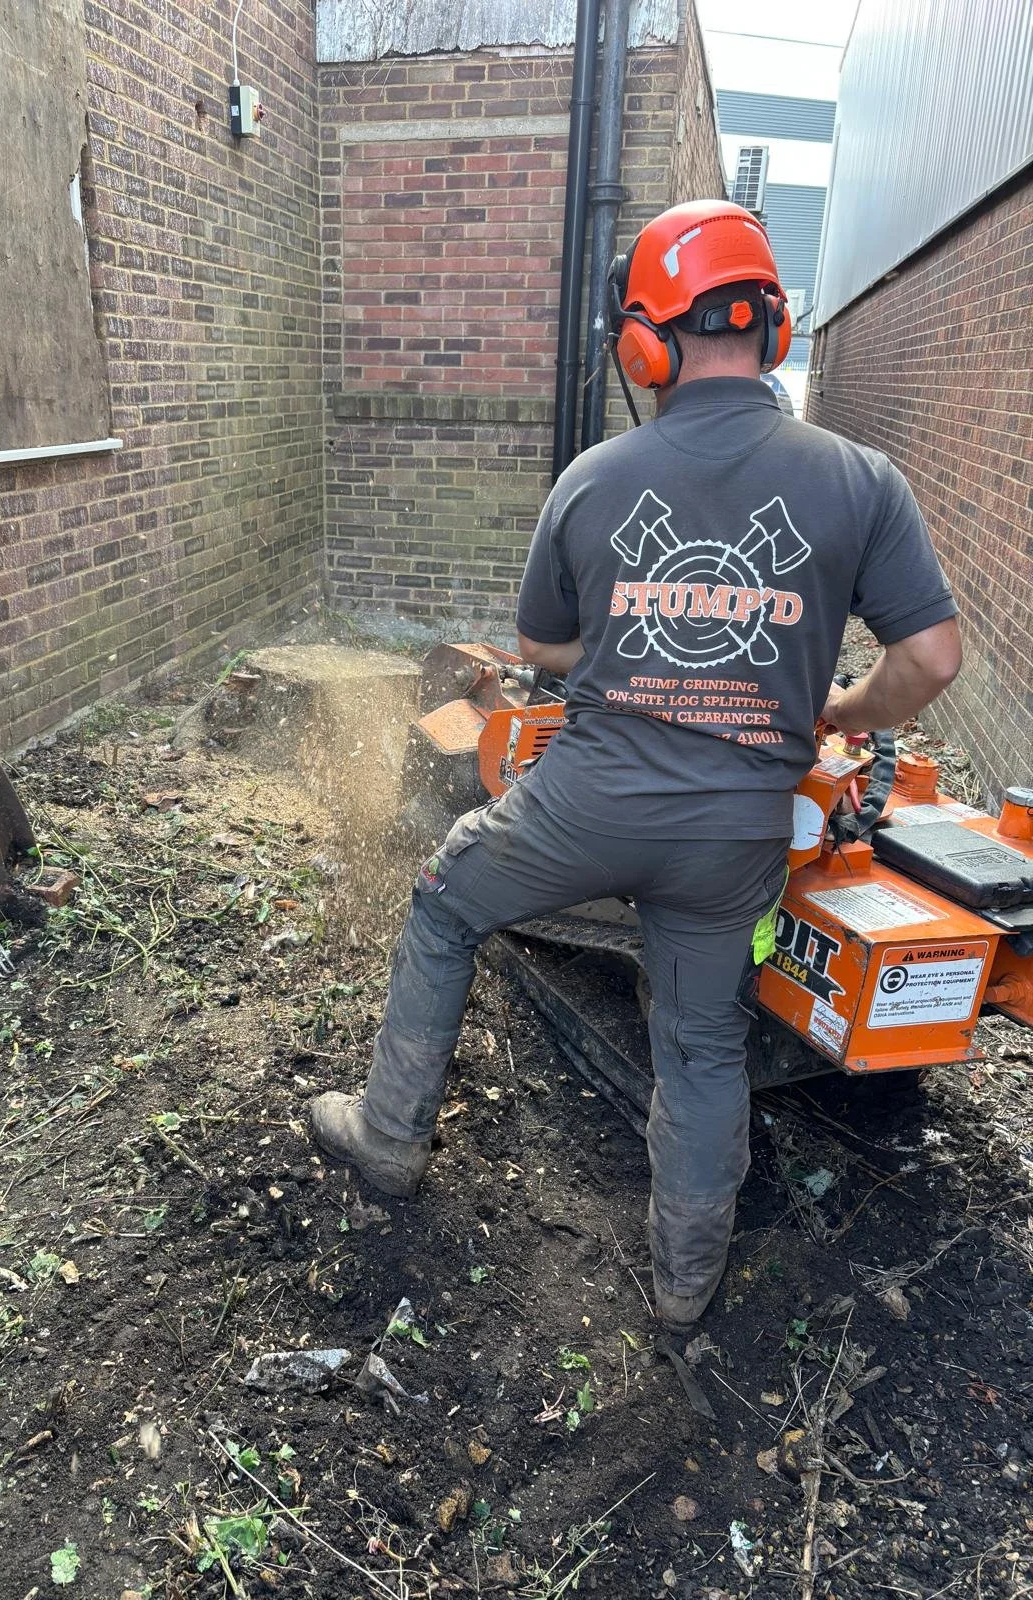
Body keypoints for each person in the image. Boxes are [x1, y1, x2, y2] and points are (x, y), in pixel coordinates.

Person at [308, 200, 962, 1333]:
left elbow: (541, 645)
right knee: (701, 1045)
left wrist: (633, 639)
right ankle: (682, 1286)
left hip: (583, 813)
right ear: (775, 328)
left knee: (447, 901)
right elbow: (932, 658)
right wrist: (838, 710)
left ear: (645, 345)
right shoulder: (861, 480)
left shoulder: (594, 478)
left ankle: (390, 1138)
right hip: (735, 841)